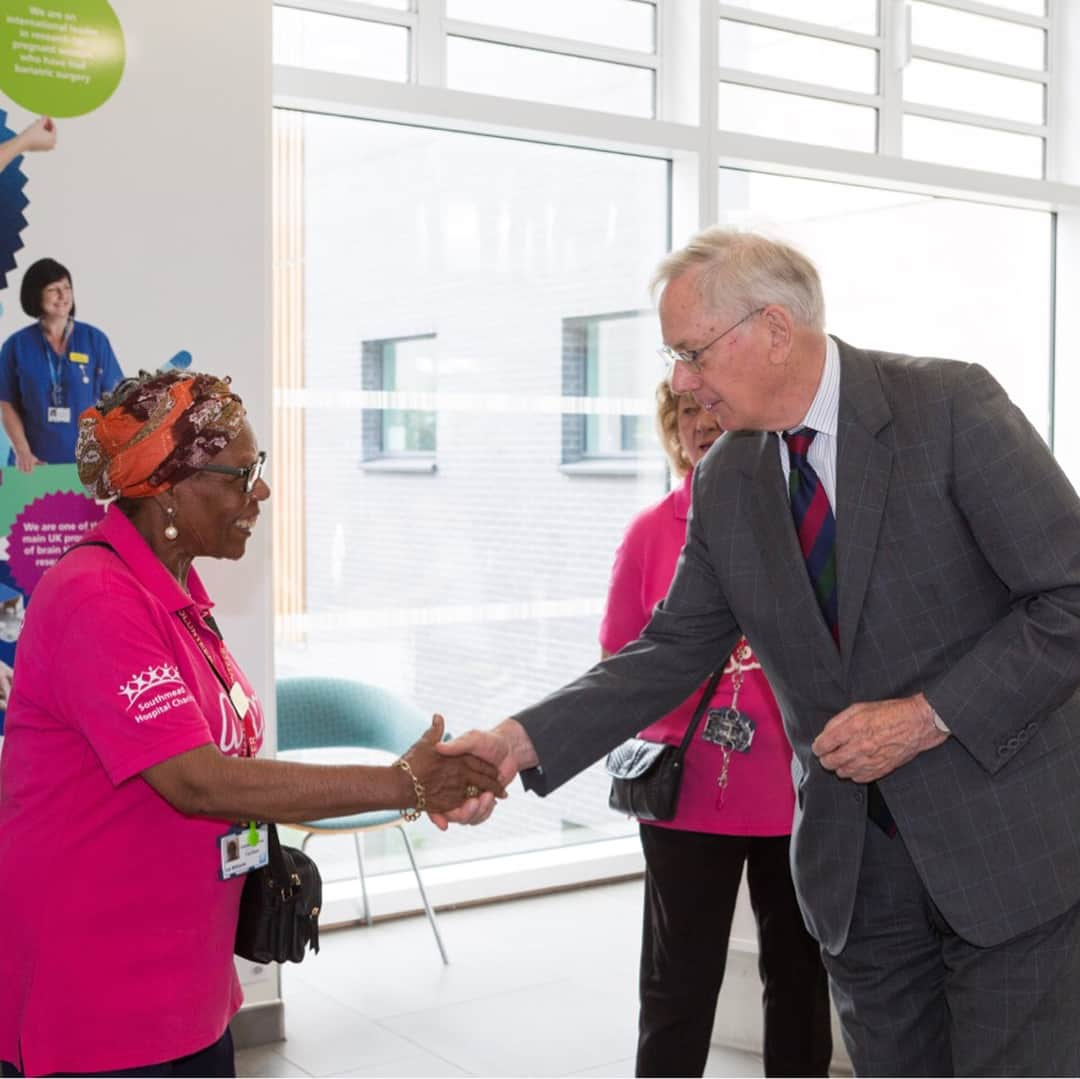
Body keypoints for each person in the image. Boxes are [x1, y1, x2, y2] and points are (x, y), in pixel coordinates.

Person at [439, 228, 1080, 1076]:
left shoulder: (949, 408)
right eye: (675, 357)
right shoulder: (729, 477)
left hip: (1006, 854)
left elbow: (1067, 595)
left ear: (775, 330)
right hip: (858, 878)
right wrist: (516, 740)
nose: (680, 380)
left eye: (693, 351)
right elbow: (669, 649)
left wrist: (929, 716)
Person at [0, 370, 503, 1078]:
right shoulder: (96, 598)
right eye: (245, 472)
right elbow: (198, 781)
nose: (260, 492)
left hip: (186, 988)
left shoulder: (178, 593)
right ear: (171, 487)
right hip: (100, 1001)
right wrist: (404, 783)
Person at [602, 381, 830, 1078]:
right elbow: (618, 659)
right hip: (686, 798)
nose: (703, 424)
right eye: (687, 413)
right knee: (677, 990)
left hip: (795, 799)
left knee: (799, 983)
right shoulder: (650, 532)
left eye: (716, 409)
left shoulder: (801, 522)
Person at [0, 257, 123, 470]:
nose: (63, 295)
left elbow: (115, 399)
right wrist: (23, 452)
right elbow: (6, 403)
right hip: (32, 464)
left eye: (67, 287)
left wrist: (110, 450)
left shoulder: (94, 340)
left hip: (87, 464)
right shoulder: (16, 345)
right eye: (53, 289)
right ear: (36, 295)